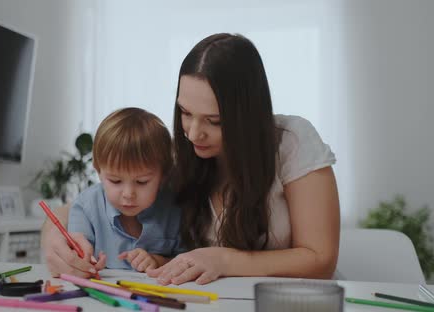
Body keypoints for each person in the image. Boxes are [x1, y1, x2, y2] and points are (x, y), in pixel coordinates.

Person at [42, 33, 340, 284]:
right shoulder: (179, 156)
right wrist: (55, 240)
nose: (194, 133)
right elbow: (86, 203)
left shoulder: (291, 142)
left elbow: (320, 259)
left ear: (246, 116)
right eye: (185, 113)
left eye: (214, 121)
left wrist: (225, 260)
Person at [42, 107, 182, 277]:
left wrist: (157, 260)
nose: (128, 194)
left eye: (142, 182)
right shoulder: (86, 206)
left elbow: (185, 261)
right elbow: (75, 252)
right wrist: (83, 260)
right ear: (98, 171)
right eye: (115, 181)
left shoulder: (175, 209)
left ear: (163, 176)